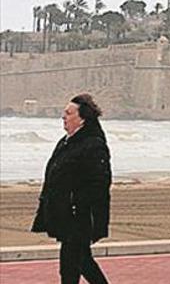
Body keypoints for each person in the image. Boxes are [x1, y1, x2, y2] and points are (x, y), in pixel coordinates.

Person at [32, 94, 112, 284]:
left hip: (80, 216)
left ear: (82, 118)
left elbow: (100, 183)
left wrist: (78, 205)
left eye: (68, 113)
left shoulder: (94, 144)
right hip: (65, 214)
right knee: (83, 262)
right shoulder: (67, 141)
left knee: (69, 266)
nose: (64, 117)